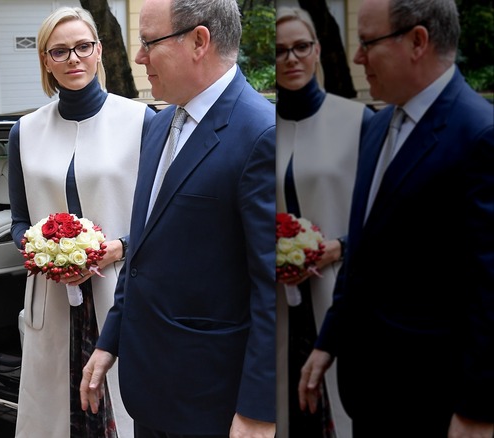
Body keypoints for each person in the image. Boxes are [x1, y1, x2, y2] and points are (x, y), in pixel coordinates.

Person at [81, 0, 276, 436]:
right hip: (149, 392)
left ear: (199, 41)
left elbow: (272, 288)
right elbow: (144, 250)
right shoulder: (159, 124)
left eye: (149, 42)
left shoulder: (263, 135)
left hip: (214, 403)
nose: (138, 57)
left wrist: (259, 411)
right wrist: (109, 342)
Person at [299, 0, 494, 436]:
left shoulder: (480, 135)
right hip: (370, 392)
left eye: (368, 42)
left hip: (436, 400)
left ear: (418, 41)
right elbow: (365, 248)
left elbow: (488, 288)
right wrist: (328, 340)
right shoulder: (377, 125)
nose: (356, 57)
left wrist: (478, 409)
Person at [7, 6, 154, 437]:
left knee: (122, 413)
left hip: (119, 290)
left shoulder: (141, 121)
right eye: (59, 51)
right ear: (45, 61)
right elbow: (19, 220)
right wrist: (41, 252)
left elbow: (160, 215)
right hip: (51, 298)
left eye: (82, 47)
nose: (73, 58)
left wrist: (120, 247)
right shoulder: (25, 131)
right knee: (57, 416)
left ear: (99, 51)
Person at [274, 7, 373, 438]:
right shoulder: (263, 126)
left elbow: (385, 216)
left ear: (316, 51)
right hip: (275, 300)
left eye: (301, 47)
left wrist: (342, 246)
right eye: (279, 51)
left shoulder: (359, 122)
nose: (291, 59)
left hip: (339, 291)